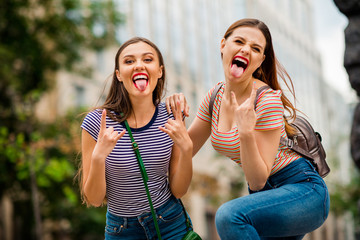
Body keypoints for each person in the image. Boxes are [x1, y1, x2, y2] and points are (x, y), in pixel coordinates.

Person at [166, 18, 330, 240]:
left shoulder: (267, 100)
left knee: (229, 216)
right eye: (239, 41)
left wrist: (245, 133)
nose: (245, 50)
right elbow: (184, 148)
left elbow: (257, 180)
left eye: (255, 48)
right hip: (264, 198)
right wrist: (171, 110)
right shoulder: (214, 97)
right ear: (223, 45)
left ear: (261, 60)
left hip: (302, 190)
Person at [79, 37, 194, 240]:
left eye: (147, 59)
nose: (139, 65)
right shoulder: (97, 122)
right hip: (121, 231)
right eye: (129, 61)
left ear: (159, 71)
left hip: (169, 223)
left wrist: (186, 149)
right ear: (119, 75)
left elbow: (178, 190)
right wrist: (98, 157)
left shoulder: (172, 115)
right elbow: (94, 199)